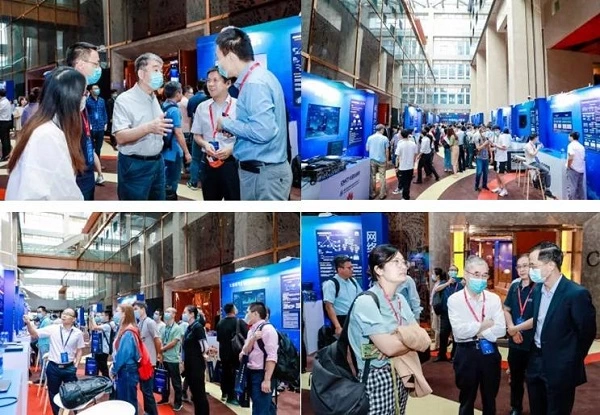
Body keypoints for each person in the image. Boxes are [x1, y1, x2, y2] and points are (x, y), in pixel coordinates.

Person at [215, 26, 293, 200]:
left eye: (218, 58)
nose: (218, 64)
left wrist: (226, 123)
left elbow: (263, 131)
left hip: (263, 177)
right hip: (262, 174)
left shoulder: (254, 84)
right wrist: (236, 129)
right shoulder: (262, 77)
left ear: (231, 57)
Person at [525, 242, 596, 415]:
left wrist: (570, 359)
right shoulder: (538, 289)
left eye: (533, 265)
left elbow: (586, 333)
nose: (530, 270)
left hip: (561, 367)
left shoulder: (576, 294)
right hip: (535, 361)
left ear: (550, 266)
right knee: (536, 409)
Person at [347, 245, 417, 414]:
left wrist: (397, 341)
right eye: (395, 262)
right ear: (378, 270)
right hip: (376, 376)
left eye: (403, 262)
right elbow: (390, 347)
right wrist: (406, 341)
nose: (403, 266)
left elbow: (421, 338)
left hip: (402, 370)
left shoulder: (400, 299)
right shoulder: (367, 301)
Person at [6, 67, 86, 200]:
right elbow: (62, 192)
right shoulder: (47, 136)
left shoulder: (44, 127)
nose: (84, 99)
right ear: (71, 97)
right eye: (84, 94)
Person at [448, 255, 506, 415]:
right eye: (476, 274)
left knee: (490, 397)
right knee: (466, 398)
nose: (481, 279)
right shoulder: (455, 300)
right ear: (466, 274)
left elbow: (501, 329)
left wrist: (476, 331)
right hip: (465, 353)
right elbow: (459, 332)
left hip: (490, 352)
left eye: (484, 275)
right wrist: (486, 324)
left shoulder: (493, 299)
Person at [112, 52, 173, 200]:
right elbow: (120, 137)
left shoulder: (153, 98)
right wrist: (148, 128)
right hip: (135, 165)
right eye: (155, 69)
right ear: (141, 73)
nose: (160, 75)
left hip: (157, 163)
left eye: (160, 70)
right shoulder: (125, 100)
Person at [23, 308, 85, 415]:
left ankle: (74, 413)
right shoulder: (53, 328)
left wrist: (76, 365)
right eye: (63, 313)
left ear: (74, 319)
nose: (64, 315)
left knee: (73, 394)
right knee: (53, 394)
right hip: (53, 368)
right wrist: (28, 323)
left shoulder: (78, 333)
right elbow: (34, 334)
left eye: (68, 314)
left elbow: (80, 350)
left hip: (69, 368)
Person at [191, 66, 240, 200]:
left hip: (232, 163)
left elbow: (247, 135)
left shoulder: (239, 106)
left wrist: (232, 148)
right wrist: (205, 144)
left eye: (215, 80)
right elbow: (196, 135)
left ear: (228, 83)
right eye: (208, 80)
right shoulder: (202, 107)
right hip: (209, 162)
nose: (210, 84)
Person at [66, 41, 106, 196]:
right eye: (95, 64)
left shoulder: (83, 98)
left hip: (87, 172)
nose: (99, 69)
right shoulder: (67, 101)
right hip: (74, 177)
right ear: (81, 65)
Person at [503, 254, 535, 415]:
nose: (522, 270)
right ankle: (516, 407)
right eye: (519, 266)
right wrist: (512, 328)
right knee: (515, 378)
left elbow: (539, 317)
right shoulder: (515, 286)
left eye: (526, 266)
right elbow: (506, 309)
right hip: (515, 341)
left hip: (533, 343)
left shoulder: (540, 287)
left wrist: (515, 328)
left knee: (534, 380)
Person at [240, 302, 278, 415]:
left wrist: (267, 380)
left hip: (262, 373)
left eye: (248, 312)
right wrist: (252, 339)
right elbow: (245, 351)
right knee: (261, 405)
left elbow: (272, 357)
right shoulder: (251, 331)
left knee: (260, 408)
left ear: (255, 313)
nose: (246, 315)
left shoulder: (268, 330)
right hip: (251, 372)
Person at [161, 81, 192, 200]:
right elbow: (178, 133)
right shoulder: (174, 110)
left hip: (163, 149)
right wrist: (187, 152)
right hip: (173, 151)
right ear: (178, 93)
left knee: (164, 178)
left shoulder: (163, 106)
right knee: (172, 180)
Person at [111, 304, 141, 415]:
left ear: (125, 314)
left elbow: (123, 354)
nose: (115, 314)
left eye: (117, 311)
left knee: (127, 402)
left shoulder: (128, 332)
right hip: (125, 369)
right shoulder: (124, 329)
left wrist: (114, 369)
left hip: (126, 370)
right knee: (125, 401)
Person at [216, 303, 249, 404]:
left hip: (223, 352)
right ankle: (232, 397)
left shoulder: (220, 323)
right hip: (235, 352)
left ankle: (224, 393)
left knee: (225, 373)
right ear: (233, 310)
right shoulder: (239, 322)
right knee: (235, 374)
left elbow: (219, 339)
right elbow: (247, 336)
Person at [133, 301, 161, 415]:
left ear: (143, 309)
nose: (134, 311)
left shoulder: (150, 322)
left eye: (136, 309)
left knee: (148, 391)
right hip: (142, 362)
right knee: (144, 390)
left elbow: (157, 339)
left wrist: (159, 354)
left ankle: (153, 412)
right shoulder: (140, 323)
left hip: (149, 362)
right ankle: (147, 411)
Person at [322, 255, 361, 336]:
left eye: (352, 267)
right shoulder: (331, 284)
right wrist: (337, 326)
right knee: (343, 343)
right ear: (340, 269)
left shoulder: (353, 281)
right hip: (341, 320)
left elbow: (361, 298)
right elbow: (329, 307)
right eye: (349, 268)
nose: (352, 270)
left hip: (354, 318)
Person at [182, 305, 210, 415]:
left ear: (192, 314)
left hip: (196, 364)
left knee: (199, 393)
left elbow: (204, 347)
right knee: (194, 392)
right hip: (189, 364)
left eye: (185, 312)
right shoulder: (189, 328)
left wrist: (201, 356)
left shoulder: (198, 327)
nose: (183, 314)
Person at [434, 264, 464, 362]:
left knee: (456, 335)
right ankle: (441, 355)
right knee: (443, 334)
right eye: (451, 270)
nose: (452, 271)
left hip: (457, 314)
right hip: (445, 312)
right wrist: (447, 283)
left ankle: (454, 355)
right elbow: (436, 289)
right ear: (448, 272)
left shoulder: (460, 284)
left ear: (457, 272)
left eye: (454, 270)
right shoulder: (444, 282)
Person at [158, 307, 184, 411]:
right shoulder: (164, 328)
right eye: (166, 312)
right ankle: (165, 398)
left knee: (176, 382)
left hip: (173, 359)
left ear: (173, 315)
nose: (166, 313)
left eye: (169, 312)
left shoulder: (177, 328)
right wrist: (160, 354)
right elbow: (160, 340)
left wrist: (162, 349)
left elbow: (174, 343)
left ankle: (178, 402)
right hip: (164, 359)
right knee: (164, 380)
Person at [187, 81, 210, 190]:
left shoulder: (193, 100)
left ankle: (194, 181)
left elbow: (190, 116)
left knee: (195, 159)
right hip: (211, 135)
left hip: (197, 132)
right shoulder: (217, 102)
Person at [523, 134, 553, 198]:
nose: (538, 140)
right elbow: (533, 154)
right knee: (547, 171)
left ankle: (538, 181)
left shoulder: (533, 145)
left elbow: (535, 155)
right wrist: (538, 148)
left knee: (547, 167)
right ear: (534, 138)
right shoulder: (528, 146)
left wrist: (538, 147)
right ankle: (545, 187)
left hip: (535, 162)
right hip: (531, 163)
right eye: (537, 138)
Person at [365, 124, 390, 199]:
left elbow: (367, 149)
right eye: (383, 129)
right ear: (382, 129)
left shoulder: (370, 138)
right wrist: (387, 161)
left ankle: (372, 193)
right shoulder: (385, 138)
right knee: (382, 177)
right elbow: (387, 151)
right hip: (382, 160)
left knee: (372, 176)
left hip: (372, 160)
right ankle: (382, 194)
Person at [394, 128, 419, 200]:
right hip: (410, 166)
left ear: (401, 135)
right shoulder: (413, 144)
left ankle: (405, 197)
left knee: (403, 182)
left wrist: (396, 166)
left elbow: (397, 157)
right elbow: (415, 154)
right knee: (408, 183)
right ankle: (406, 196)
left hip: (402, 167)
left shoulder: (400, 144)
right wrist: (413, 162)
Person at [89, 311, 115, 377]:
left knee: (103, 368)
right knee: (97, 366)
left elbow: (95, 327)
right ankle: (99, 380)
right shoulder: (103, 325)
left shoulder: (107, 326)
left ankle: (107, 380)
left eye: (102, 315)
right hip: (99, 349)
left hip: (104, 349)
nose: (100, 317)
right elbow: (92, 328)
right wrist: (91, 320)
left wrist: (92, 318)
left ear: (107, 316)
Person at [86, 84, 108, 160]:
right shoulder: (87, 101)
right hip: (91, 126)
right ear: (91, 91)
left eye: (97, 88)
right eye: (95, 88)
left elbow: (104, 112)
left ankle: (97, 160)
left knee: (99, 146)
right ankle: (91, 161)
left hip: (100, 126)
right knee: (91, 145)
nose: (97, 90)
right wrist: (88, 124)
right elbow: (85, 113)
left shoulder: (102, 101)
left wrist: (105, 122)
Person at [492, 127, 511, 197]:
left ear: (499, 130)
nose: (495, 131)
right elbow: (498, 147)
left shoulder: (502, 137)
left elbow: (504, 148)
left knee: (501, 175)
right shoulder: (496, 137)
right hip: (497, 158)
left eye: (496, 130)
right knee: (497, 174)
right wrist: (494, 148)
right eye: (494, 130)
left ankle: (505, 189)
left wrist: (496, 145)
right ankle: (499, 187)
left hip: (501, 159)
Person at [566, 131, 585, 200]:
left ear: (572, 137)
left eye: (569, 136)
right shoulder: (581, 146)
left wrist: (568, 165)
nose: (568, 137)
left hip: (573, 169)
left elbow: (571, 156)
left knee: (572, 188)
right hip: (581, 170)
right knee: (580, 188)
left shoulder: (571, 145)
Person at [430, 268, 445, 351]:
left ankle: (437, 345)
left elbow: (437, 291)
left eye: (433, 274)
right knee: (435, 327)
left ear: (438, 276)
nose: (432, 275)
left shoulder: (442, 283)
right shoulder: (436, 283)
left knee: (437, 327)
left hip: (438, 308)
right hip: (434, 307)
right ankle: (438, 343)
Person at [474, 126, 491, 192]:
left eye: (485, 131)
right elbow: (478, 148)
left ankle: (484, 185)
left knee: (486, 173)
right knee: (479, 172)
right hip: (479, 158)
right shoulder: (477, 138)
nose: (484, 133)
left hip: (486, 158)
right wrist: (484, 144)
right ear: (480, 132)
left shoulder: (486, 138)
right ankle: (476, 185)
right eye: (483, 131)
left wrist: (491, 156)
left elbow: (489, 148)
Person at [0, 89, 11, 161]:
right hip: (7, 122)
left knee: (4, 140)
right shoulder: (7, 101)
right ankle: (8, 154)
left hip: (3, 122)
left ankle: (5, 156)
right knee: (7, 139)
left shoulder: (2, 103)